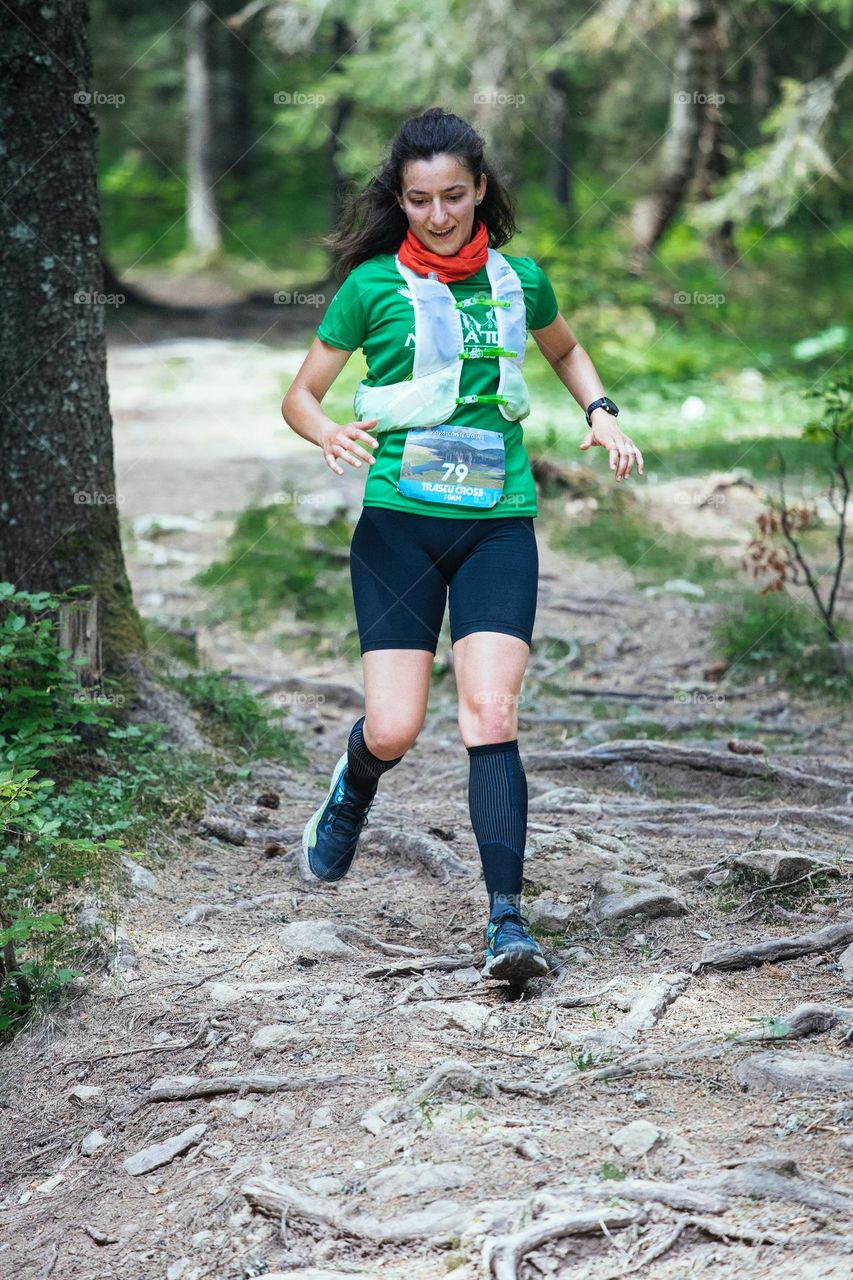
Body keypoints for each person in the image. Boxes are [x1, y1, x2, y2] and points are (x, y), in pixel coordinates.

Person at [281, 107, 643, 983]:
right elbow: (300, 395)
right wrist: (325, 433)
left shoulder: (521, 280)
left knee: (491, 713)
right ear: (398, 202)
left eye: (452, 195)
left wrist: (600, 412)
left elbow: (566, 351)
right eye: (417, 200)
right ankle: (354, 783)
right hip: (398, 528)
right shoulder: (370, 287)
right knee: (397, 726)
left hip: (495, 526)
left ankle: (506, 924)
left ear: (480, 188)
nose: (438, 215)